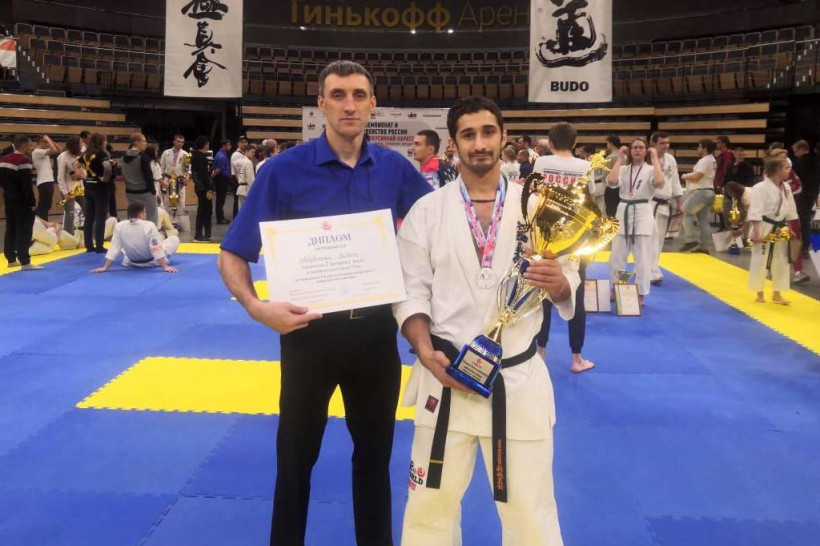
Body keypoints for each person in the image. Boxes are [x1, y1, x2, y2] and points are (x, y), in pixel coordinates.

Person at [217, 60, 431, 546]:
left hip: (375, 336)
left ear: (373, 104)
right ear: (321, 104)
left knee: (375, 461)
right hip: (307, 336)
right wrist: (257, 307)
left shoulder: (395, 169)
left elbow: (438, 229)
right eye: (337, 95)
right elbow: (232, 253)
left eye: (358, 95)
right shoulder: (283, 170)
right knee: (294, 460)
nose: (348, 105)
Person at [395, 96, 578, 546]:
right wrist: (423, 349)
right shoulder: (427, 211)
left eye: (488, 132)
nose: (479, 143)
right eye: (468, 134)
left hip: (516, 382)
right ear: (454, 144)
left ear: (503, 136)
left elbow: (569, 280)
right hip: (445, 376)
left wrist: (558, 283)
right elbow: (410, 291)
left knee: (531, 513)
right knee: (428, 510)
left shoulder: (538, 207)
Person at [532, 122, 595, 373]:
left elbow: (533, 197)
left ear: (550, 142)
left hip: (544, 237)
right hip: (574, 239)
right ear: (575, 142)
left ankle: (540, 352)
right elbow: (589, 205)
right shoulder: (585, 166)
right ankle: (577, 358)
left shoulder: (541, 163)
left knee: (542, 296)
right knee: (575, 296)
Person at [606, 138, 664, 304]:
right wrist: (619, 159)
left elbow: (659, 182)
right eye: (635, 148)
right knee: (616, 256)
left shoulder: (651, 169)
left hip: (642, 212)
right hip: (623, 210)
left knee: (643, 257)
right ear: (630, 151)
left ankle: (640, 292)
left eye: (641, 148)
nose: (638, 150)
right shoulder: (624, 169)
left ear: (646, 151)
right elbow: (611, 181)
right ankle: (615, 287)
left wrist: (655, 158)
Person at [747, 156, 798, 305]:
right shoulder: (760, 188)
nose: (789, 171)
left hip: (781, 227)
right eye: (786, 168)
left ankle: (777, 293)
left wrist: (790, 228)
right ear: (776, 170)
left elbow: (790, 210)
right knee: (760, 259)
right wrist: (757, 233)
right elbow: (755, 211)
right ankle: (759, 292)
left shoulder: (786, 187)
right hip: (764, 225)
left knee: (782, 260)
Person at [91, 202, 179, 273]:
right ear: (140, 214)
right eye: (144, 212)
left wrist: (105, 267)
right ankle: (163, 259)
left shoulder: (120, 226)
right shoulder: (149, 225)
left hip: (130, 262)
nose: (146, 214)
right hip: (152, 262)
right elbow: (156, 248)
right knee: (174, 239)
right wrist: (165, 266)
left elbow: (114, 248)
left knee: (124, 248)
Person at [1, 135, 43, 270]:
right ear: (23, 144)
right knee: (24, 230)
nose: (31, 147)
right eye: (30, 145)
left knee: (11, 228)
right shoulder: (24, 160)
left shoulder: (4, 159)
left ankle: (11, 259)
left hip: (9, 198)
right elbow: (26, 185)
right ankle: (25, 261)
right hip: (22, 201)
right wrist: (32, 202)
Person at [648, 132, 683, 285]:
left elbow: (675, 182)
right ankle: (651, 270)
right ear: (653, 143)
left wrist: (679, 203)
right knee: (651, 237)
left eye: (667, 143)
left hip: (664, 204)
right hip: (650, 203)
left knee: (660, 239)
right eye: (662, 143)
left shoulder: (670, 159)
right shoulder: (648, 159)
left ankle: (649, 267)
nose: (666, 146)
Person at [679, 139, 717, 254]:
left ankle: (690, 239)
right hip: (709, 191)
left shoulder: (705, 160)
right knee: (703, 220)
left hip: (701, 191)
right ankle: (704, 247)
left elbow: (697, 177)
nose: (698, 149)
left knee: (686, 213)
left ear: (704, 148)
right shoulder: (712, 160)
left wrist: (685, 176)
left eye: (699, 147)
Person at [78, 133, 114, 254]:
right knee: (100, 218)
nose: (106, 142)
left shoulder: (86, 153)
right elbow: (107, 168)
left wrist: (85, 176)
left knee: (89, 217)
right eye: (105, 140)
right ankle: (99, 245)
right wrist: (104, 178)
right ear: (101, 142)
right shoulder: (102, 153)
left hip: (88, 185)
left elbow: (76, 165)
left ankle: (89, 245)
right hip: (100, 188)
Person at [791, 139, 819, 271]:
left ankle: (799, 249)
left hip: (800, 195)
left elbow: (795, 180)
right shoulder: (816, 160)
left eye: (795, 150)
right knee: (806, 220)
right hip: (812, 193)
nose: (794, 153)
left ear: (801, 149)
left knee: (798, 221)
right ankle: (805, 247)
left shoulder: (799, 163)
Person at [122, 132, 159, 226]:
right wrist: (153, 192)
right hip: (144, 192)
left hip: (130, 192)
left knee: (133, 218)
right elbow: (148, 176)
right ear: (136, 142)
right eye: (143, 141)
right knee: (151, 217)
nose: (145, 143)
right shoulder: (143, 157)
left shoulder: (124, 156)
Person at [56, 135, 85, 235]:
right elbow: (60, 177)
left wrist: (80, 175)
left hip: (79, 187)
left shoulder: (79, 155)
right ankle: (68, 235)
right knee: (70, 213)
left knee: (87, 209)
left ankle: (90, 232)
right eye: (80, 143)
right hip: (68, 189)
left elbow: (83, 171)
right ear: (75, 145)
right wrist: (65, 193)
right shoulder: (62, 157)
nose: (82, 145)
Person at [32, 134, 61, 221]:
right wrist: (47, 139)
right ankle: (40, 223)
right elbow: (54, 150)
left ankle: (40, 222)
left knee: (47, 205)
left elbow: (59, 150)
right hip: (44, 181)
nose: (46, 143)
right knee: (43, 205)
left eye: (46, 142)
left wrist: (51, 141)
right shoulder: (37, 152)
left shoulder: (43, 152)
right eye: (44, 142)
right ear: (39, 142)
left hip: (48, 181)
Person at [191, 135, 214, 242]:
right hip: (203, 187)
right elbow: (203, 175)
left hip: (200, 186)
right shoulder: (200, 157)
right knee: (204, 211)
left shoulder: (196, 156)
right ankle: (199, 234)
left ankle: (206, 234)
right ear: (205, 144)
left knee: (205, 210)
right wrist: (209, 188)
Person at [160, 134, 190, 210]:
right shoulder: (166, 153)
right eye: (178, 141)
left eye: (182, 142)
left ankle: (180, 217)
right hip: (167, 179)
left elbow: (188, 168)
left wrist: (187, 178)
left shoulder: (185, 154)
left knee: (181, 202)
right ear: (174, 141)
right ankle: (167, 217)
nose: (180, 143)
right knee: (166, 201)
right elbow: (162, 167)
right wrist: (161, 181)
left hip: (180, 180)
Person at [211, 139, 232, 224]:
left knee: (221, 199)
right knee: (220, 199)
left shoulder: (220, 154)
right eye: (229, 145)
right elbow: (218, 169)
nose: (230, 147)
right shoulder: (221, 157)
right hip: (221, 179)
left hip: (222, 178)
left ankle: (221, 216)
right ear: (224, 146)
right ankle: (220, 218)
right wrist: (212, 176)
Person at [230, 135, 248, 220]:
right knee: (237, 201)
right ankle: (236, 219)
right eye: (242, 142)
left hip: (243, 180)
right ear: (238, 143)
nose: (244, 144)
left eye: (245, 142)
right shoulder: (236, 155)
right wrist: (240, 182)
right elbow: (237, 171)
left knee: (242, 202)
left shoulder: (244, 154)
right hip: (238, 180)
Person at [603, 134, 621, 217]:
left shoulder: (610, 158)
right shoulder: (625, 156)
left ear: (610, 143)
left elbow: (605, 176)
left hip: (612, 189)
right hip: (623, 188)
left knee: (611, 214)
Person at [234, 143, 256, 211]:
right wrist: (254, 191)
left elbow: (237, 174)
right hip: (247, 189)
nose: (253, 154)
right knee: (248, 211)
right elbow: (250, 179)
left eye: (254, 152)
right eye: (252, 152)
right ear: (246, 151)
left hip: (240, 188)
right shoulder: (248, 162)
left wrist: (240, 181)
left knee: (241, 210)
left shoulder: (237, 162)